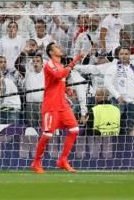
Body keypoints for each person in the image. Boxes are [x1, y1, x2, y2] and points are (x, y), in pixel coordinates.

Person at [31, 42, 86, 174]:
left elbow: (57, 81)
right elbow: (59, 75)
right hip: (51, 106)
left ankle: (63, 160)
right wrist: (74, 62)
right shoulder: (49, 64)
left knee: (74, 129)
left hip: (63, 105)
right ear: (50, 52)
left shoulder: (60, 66)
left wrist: (66, 89)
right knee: (47, 134)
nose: (59, 48)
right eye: (56, 47)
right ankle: (36, 162)